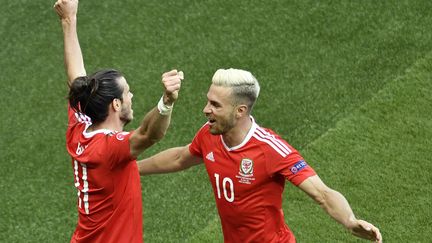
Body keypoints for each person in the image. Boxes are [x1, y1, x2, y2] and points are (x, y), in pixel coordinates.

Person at [137, 68, 382, 242]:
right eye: (208, 101)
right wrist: (133, 168)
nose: (206, 110)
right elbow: (180, 157)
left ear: (240, 110)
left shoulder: (271, 149)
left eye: (215, 105)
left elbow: (323, 193)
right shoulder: (209, 135)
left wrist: (350, 221)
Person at [53, 0, 183, 242]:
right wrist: (166, 101)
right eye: (127, 93)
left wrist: (68, 20)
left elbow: (76, 78)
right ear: (115, 104)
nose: (131, 96)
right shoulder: (110, 147)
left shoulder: (80, 128)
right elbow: (149, 134)